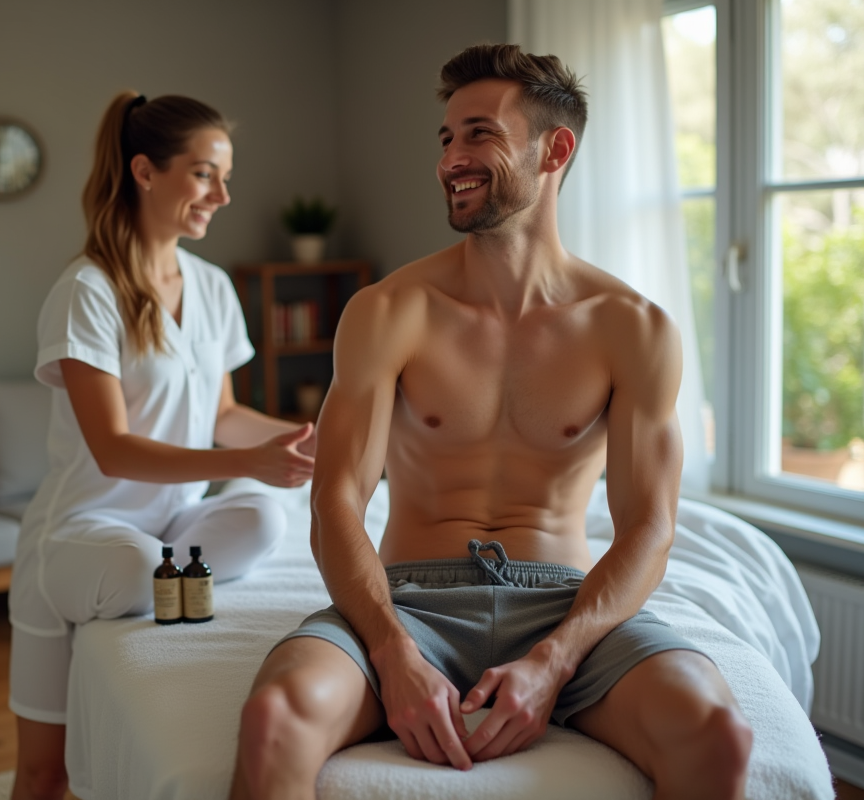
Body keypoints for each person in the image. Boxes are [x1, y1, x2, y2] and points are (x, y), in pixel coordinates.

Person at [231, 44, 753, 800]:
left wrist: (556, 660)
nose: (452, 157)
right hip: (405, 598)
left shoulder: (632, 328)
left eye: (479, 133)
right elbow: (336, 500)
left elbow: (650, 527)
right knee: (275, 717)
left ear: (556, 149)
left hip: (566, 604)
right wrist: (391, 651)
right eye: (446, 138)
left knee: (719, 734)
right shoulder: (388, 312)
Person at [9, 91, 316, 800]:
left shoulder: (211, 286)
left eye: (225, 175)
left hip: (175, 525)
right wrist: (247, 462)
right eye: (205, 174)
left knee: (265, 516)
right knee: (42, 773)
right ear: (145, 172)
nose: (223, 194)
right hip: (86, 533)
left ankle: (167, 572)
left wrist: (307, 439)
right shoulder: (86, 291)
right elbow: (114, 449)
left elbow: (226, 416)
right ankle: (156, 573)